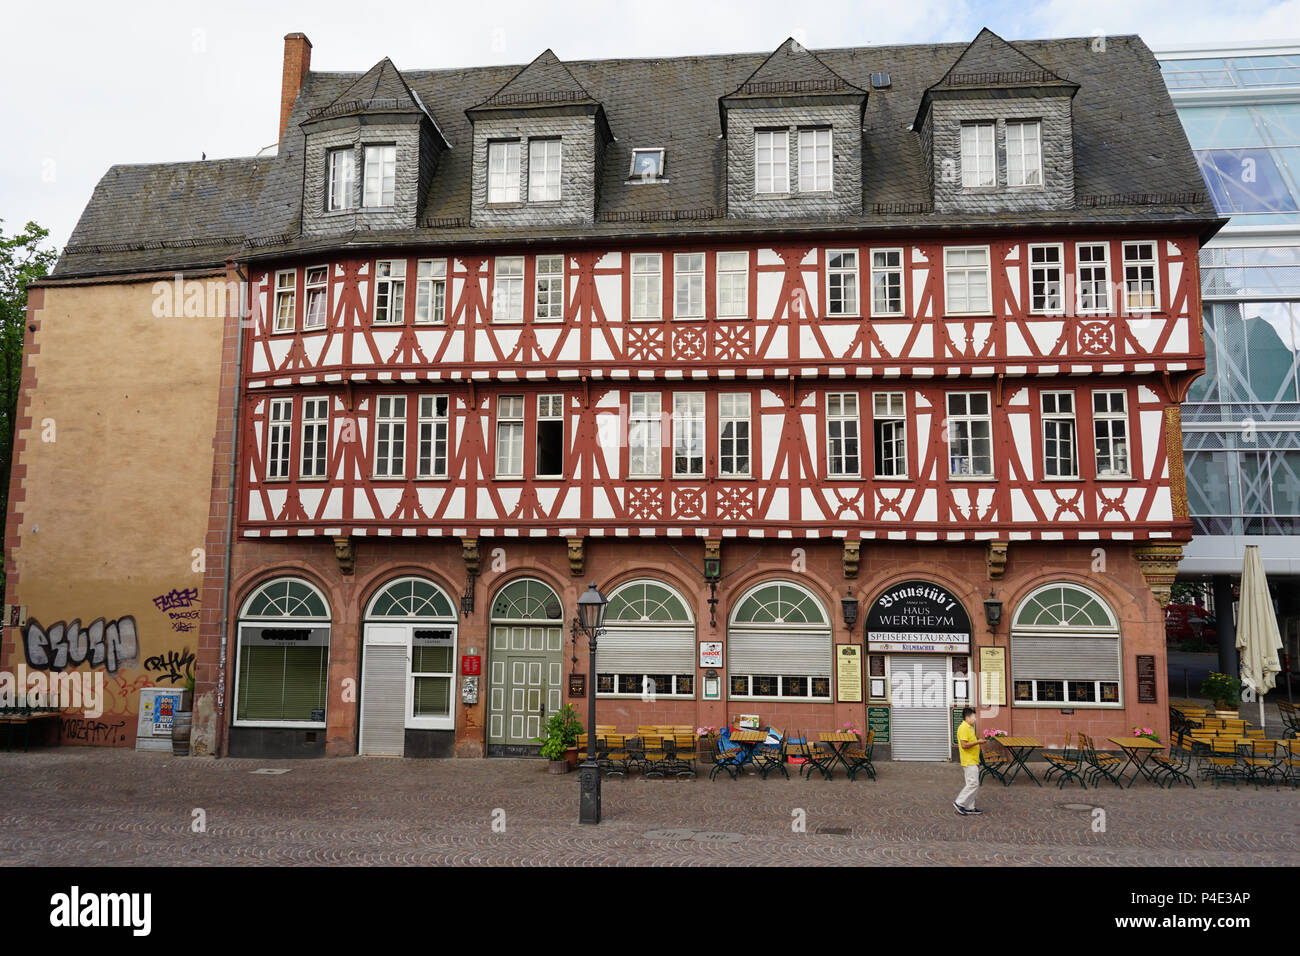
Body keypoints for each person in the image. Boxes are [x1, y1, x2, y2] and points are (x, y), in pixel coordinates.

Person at [954, 706, 984, 816]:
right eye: (973, 717)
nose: (975, 719)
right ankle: (959, 802)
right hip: (968, 760)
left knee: (973, 784)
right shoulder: (963, 728)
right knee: (973, 784)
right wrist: (978, 742)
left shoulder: (970, 727)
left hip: (973, 760)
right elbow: (964, 745)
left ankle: (970, 807)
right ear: (967, 717)